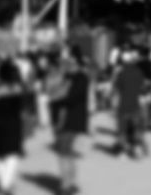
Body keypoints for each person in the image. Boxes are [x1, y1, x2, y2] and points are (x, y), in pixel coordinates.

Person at [54, 46, 89, 195]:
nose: (68, 65)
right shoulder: (76, 77)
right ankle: (71, 183)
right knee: (68, 153)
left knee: (64, 153)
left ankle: (65, 185)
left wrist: (58, 96)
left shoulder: (79, 79)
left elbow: (70, 98)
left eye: (71, 63)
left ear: (77, 63)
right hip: (72, 119)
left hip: (70, 119)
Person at [0, 59, 26, 195]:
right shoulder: (17, 89)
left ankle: (2, 183)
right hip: (13, 124)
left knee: (0, 154)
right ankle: (6, 184)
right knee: (12, 155)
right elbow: (22, 108)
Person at [112, 49, 148, 158]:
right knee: (135, 128)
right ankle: (136, 149)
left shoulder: (121, 72)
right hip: (135, 105)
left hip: (123, 104)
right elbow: (143, 88)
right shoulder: (138, 72)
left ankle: (123, 151)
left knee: (122, 129)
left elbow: (117, 88)